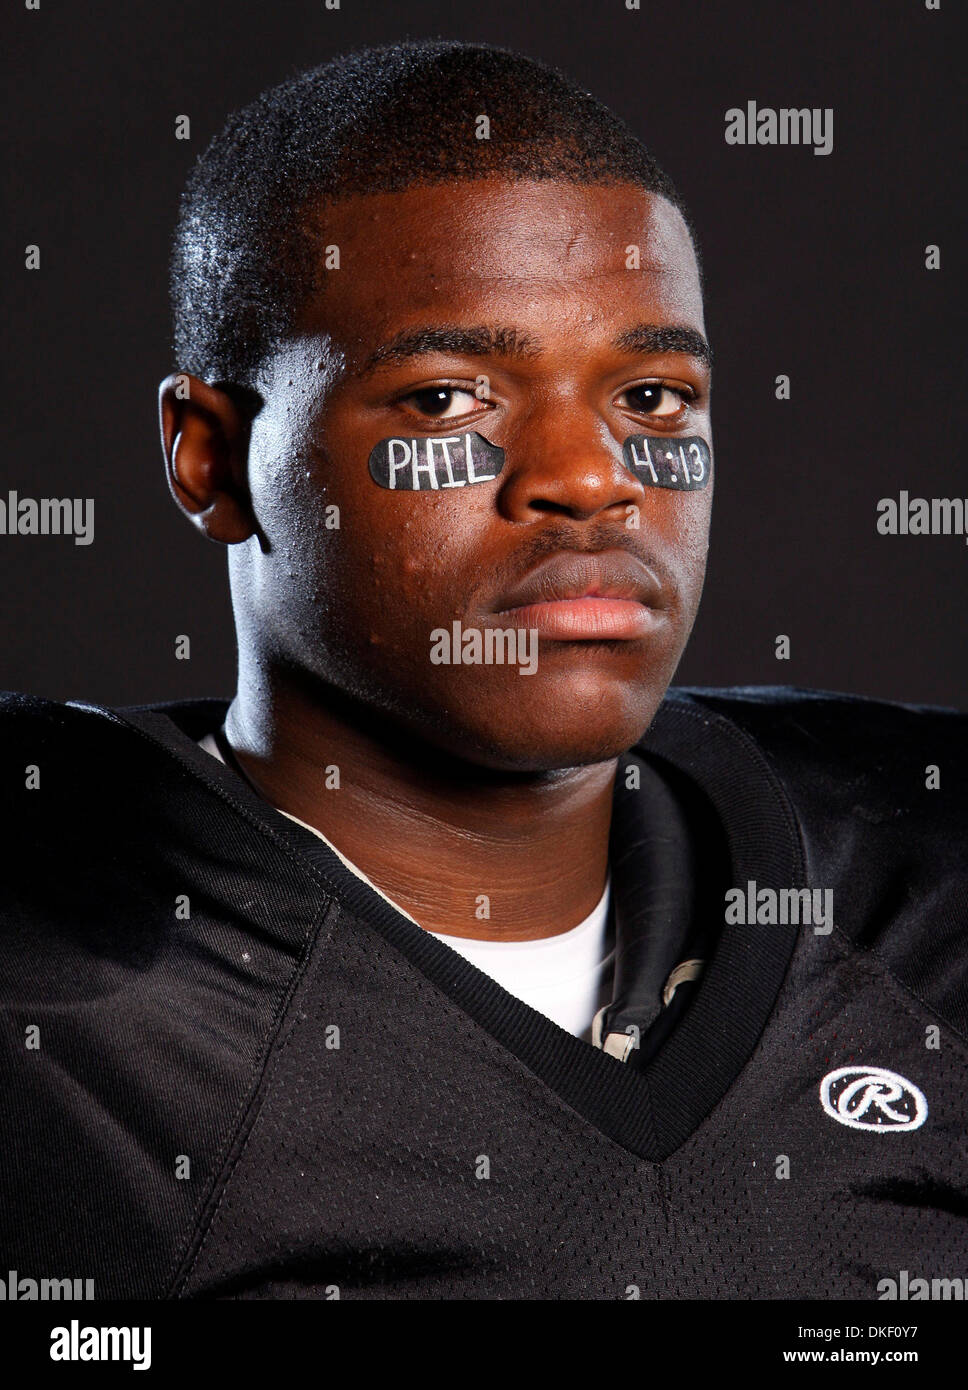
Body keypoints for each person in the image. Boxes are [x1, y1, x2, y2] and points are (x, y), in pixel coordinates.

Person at [2, 39, 965, 1302]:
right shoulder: (64, 996)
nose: (587, 474)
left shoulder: (916, 885)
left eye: (655, 397)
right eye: (449, 398)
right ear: (212, 458)